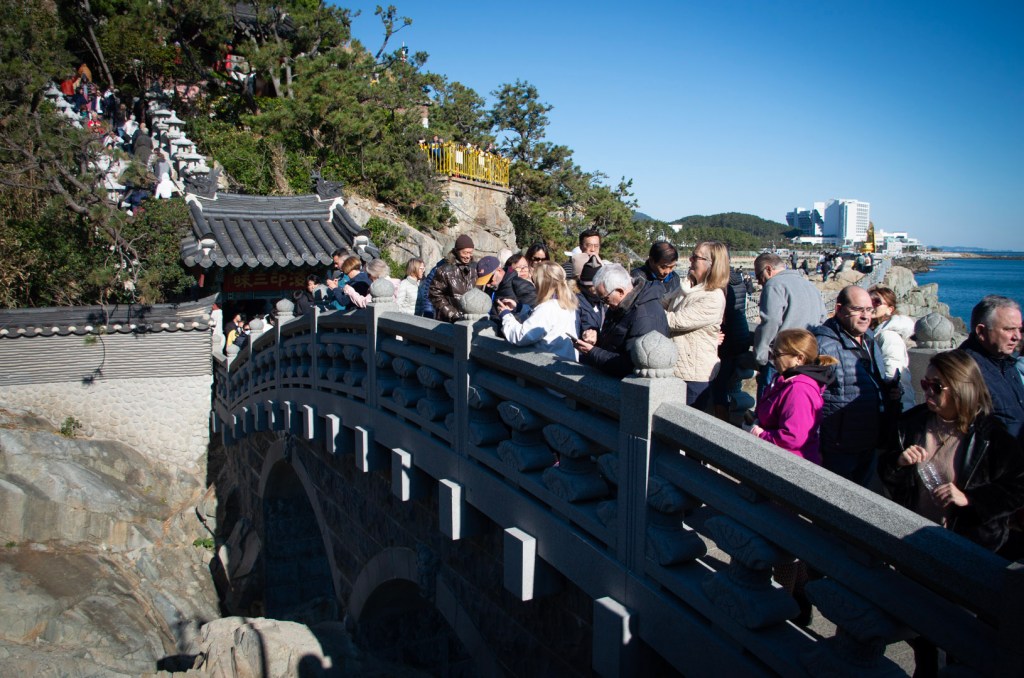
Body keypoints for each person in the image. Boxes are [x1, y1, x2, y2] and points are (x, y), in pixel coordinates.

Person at [748, 328, 838, 623]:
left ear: (798, 357)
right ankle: (800, 598)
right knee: (790, 537)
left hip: (792, 471)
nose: (772, 357)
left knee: (782, 541)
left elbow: (794, 437)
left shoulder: (799, 388)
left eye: (777, 353)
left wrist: (761, 434)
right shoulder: (789, 380)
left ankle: (782, 603)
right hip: (789, 467)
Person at [813, 285, 897, 486]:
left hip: (868, 437)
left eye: (869, 310)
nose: (865, 316)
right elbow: (811, 396)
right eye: (858, 309)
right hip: (839, 444)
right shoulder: (825, 346)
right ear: (839, 309)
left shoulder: (869, 340)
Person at [662, 241, 729, 409]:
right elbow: (661, 303)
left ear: (711, 264)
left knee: (687, 424)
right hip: (675, 368)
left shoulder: (713, 297)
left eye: (696, 257)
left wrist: (645, 311)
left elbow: (674, 321)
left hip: (693, 374)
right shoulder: (686, 286)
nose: (690, 259)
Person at [751, 253, 827, 399]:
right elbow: (822, 320)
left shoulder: (774, 284)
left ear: (768, 269)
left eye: (759, 276)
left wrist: (761, 356)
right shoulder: (810, 285)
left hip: (780, 359)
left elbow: (771, 321)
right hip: (805, 358)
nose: (760, 282)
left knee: (768, 408)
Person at [575, 263, 670, 378]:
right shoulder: (620, 305)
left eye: (605, 299)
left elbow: (630, 365)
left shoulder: (645, 316)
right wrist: (596, 337)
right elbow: (616, 340)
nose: (605, 304)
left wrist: (593, 352)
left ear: (620, 291)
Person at [959, 295, 1024, 439]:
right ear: (981, 332)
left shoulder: (1006, 362)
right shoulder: (964, 369)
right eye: (1009, 329)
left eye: (1019, 329)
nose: (1017, 336)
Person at [496, 262, 578, 361]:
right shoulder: (567, 304)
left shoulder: (547, 308)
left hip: (546, 366)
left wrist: (506, 315)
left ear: (543, 283)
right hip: (565, 362)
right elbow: (542, 323)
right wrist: (519, 308)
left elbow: (522, 336)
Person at [711, 266, 753, 421]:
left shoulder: (720, 283)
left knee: (719, 386)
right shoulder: (738, 281)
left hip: (727, 339)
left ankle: (721, 421)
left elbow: (720, 314)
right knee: (732, 385)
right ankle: (734, 420)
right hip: (740, 334)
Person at [869, 285, 916, 410]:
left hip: (895, 406)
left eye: (877, 302)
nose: (871, 305)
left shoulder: (887, 336)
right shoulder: (874, 333)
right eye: (869, 301)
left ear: (890, 309)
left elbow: (892, 372)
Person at [428, 234, 476, 322]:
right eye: (465, 253)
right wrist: (452, 313)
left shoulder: (475, 268)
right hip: (449, 320)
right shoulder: (444, 270)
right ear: (457, 251)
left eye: (470, 252)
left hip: (471, 319)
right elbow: (434, 294)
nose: (468, 256)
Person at [571, 252, 604, 338]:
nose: (595, 290)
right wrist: (585, 336)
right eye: (591, 287)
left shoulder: (603, 301)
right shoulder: (575, 302)